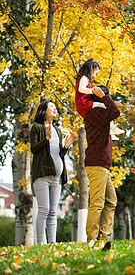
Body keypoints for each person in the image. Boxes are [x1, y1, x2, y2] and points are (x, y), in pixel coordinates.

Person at [30, 99, 75, 244]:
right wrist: (46, 138)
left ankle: (52, 244)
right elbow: (34, 149)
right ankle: (41, 244)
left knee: (52, 212)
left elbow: (58, 154)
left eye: (55, 107)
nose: (55, 109)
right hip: (42, 175)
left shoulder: (58, 130)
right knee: (43, 210)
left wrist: (66, 147)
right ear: (44, 110)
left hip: (57, 177)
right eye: (51, 106)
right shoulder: (36, 128)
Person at [84, 85, 120, 242]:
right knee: (97, 202)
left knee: (111, 201)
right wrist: (103, 96)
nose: (109, 100)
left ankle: (104, 237)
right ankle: (91, 239)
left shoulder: (100, 114)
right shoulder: (95, 113)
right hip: (97, 164)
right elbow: (115, 112)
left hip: (102, 164)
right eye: (107, 97)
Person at [75, 58, 124, 140]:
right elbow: (81, 89)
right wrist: (93, 91)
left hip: (84, 104)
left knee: (100, 114)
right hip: (83, 103)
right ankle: (112, 128)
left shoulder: (84, 79)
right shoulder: (84, 78)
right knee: (103, 106)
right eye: (96, 73)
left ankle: (110, 131)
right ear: (91, 70)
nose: (95, 76)